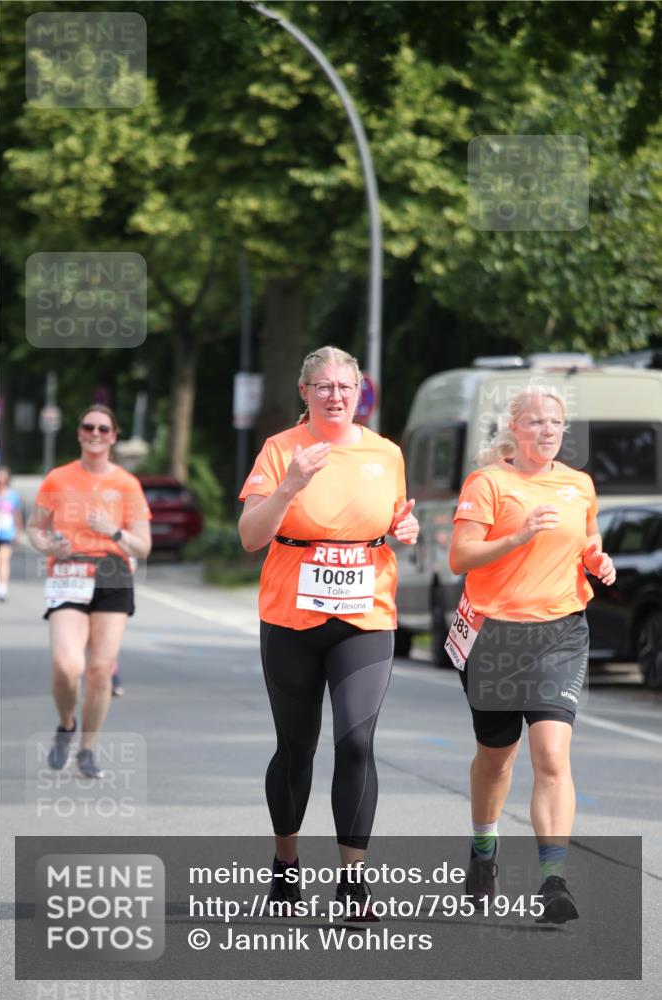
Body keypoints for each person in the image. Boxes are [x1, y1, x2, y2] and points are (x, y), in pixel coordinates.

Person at [238, 346, 419, 919]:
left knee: (357, 742)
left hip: (364, 615)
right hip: (291, 617)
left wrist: (405, 526)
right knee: (296, 749)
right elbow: (249, 536)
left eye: (345, 386)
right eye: (323, 387)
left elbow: (393, 518)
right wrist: (289, 485)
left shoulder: (385, 453)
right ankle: (286, 864)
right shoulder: (279, 451)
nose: (335, 395)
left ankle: (353, 882)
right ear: (305, 393)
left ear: (359, 392)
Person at [448, 386, 616, 924]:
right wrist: (518, 536)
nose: (548, 431)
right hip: (496, 635)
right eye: (537, 422)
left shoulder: (578, 484)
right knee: (497, 758)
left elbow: (587, 541)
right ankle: (483, 848)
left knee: (551, 756)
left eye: (556, 422)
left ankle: (553, 882)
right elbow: (460, 557)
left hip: (560, 633)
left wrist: (599, 561)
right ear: (514, 429)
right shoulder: (489, 483)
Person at [27, 406, 151, 779]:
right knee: (67, 666)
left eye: (103, 428)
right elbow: (33, 528)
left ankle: (87, 749)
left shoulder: (127, 484)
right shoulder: (57, 479)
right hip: (69, 570)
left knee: (98, 670)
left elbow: (143, 546)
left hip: (112, 571)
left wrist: (114, 531)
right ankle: (67, 724)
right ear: (79, 433)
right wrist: (49, 544)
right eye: (88, 427)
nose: (95, 433)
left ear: (114, 436)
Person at [0, 466, 23, 602]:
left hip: (5, 534)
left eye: (2, 477)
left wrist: (18, 532)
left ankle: (2, 589)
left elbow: (17, 515)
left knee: (3, 560)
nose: (0, 480)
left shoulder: (13, 496)